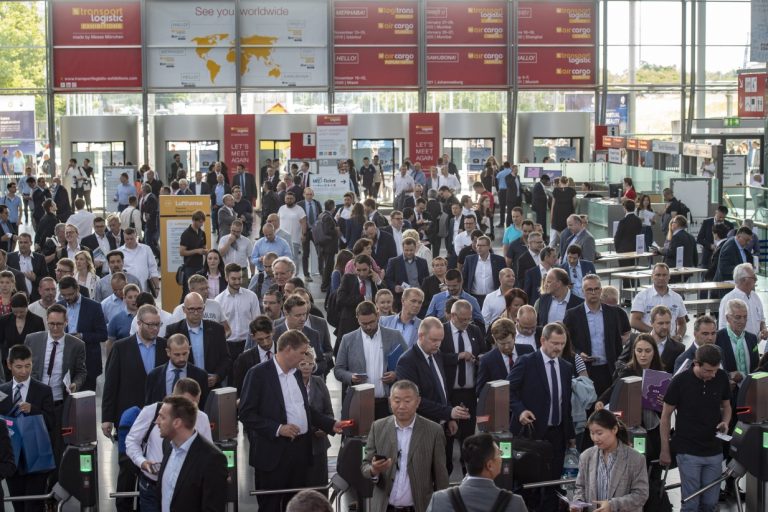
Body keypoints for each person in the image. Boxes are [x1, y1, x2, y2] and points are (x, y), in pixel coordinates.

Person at [239, 330, 342, 512]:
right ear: (287, 350)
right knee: (270, 506)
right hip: (273, 454)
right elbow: (247, 414)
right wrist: (279, 428)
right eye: (302, 352)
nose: (305, 357)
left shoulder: (295, 374)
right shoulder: (258, 374)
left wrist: (330, 424)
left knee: (296, 504)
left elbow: (305, 409)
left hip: (300, 451)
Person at [508, 322, 576, 510]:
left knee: (552, 486)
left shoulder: (566, 367)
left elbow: (566, 403)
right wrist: (520, 410)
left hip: (557, 435)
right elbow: (508, 391)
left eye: (562, 344)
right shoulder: (527, 362)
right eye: (555, 343)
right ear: (543, 340)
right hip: (531, 435)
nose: (559, 348)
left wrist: (569, 435)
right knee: (528, 486)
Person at [660, 345, 732, 512]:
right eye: (708, 370)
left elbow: (727, 407)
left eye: (715, 370)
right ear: (696, 364)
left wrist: (726, 422)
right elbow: (665, 418)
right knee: (691, 503)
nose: (712, 374)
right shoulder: (679, 381)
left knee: (710, 503)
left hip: (714, 450)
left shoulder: (721, 377)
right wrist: (665, 449)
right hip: (687, 450)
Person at [361, 379, 449, 512]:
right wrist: (374, 470)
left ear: (418, 402)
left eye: (407, 401)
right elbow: (365, 466)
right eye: (397, 401)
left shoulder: (434, 431)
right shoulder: (377, 427)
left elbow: (441, 475)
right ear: (390, 401)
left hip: (419, 507)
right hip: (384, 507)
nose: (401, 406)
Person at [127, 377, 213, 512]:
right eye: (186, 404)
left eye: (195, 404)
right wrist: (142, 462)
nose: (191, 410)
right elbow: (131, 440)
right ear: (175, 398)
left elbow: (207, 454)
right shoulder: (152, 411)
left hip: (186, 488)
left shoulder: (202, 418)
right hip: (152, 486)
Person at [0, 344, 54, 512]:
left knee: (34, 505)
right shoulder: (2, 392)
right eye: (18, 367)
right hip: (12, 460)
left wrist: (34, 410)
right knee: (18, 504)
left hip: (36, 457)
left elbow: (52, 422)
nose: (24, 371)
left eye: (28, 366)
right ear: (9, 365)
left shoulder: (43, 390)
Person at [334, 301, 407, 418]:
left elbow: (408, 365)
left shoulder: (395, 336)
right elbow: (338, 370)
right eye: (364, 323)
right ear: (357, 319)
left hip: (387, 404)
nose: (368, 326)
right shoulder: (348, 339)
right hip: (359, 404)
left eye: (371, 322)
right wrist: (351, 377)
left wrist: (395, 374)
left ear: (377, 316)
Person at [156, 395, 227, 512]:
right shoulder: (167, 446)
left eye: (162, 417)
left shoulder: (213, 459)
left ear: (177, 422)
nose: (157, 421)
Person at [426, 433, 527, 512]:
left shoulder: (440, 500)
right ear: (490, 465)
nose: (501, 458)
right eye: (500, 453)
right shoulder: (514, 503)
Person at [572, 409, 649, 511]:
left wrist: (613, 505)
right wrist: (578, 504)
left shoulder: (635, 459)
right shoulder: (586, 456)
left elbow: (641, 495)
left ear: (614, 430)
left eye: (599, 433)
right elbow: (580, 487)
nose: (595, 438)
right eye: (592, 433)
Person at [165, 292, 230, 390]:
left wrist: (217, 376)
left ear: (204, 308)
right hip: (184, 388)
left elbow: (226, 359)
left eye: (199, 309)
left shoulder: (217, 329)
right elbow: (168, 359)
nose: (196, 313)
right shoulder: (173, 330)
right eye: (191, 309)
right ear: (184, 309)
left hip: (210, 387)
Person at [298, 346, 333, 489]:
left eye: (310, 364)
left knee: (319, 486)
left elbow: (329, 413)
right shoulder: (290, 383)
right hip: (296, 445)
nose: (307, 367)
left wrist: (325, 428)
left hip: (318, 445)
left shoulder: (319, 382)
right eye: (303, 364)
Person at [215, 263, 261, 367]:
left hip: (248, 344)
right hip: (228, 345)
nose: (237, 282)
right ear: (226, 278)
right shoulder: (218, 300)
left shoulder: (251, 296)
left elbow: (257, 321)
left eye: (239, 278)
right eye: (234, 279)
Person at [145, 333, 209, 406]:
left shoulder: (201, 375)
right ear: (168, 352)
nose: (182, 358)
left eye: (185, 354)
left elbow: (204, 406)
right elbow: (149, 407)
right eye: (177, 354)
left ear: (189, 350)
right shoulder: (154, 376)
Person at [630, 263, 687, 339]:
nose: (661, 278)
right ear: (652, 277)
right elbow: (634, 321)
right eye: (658, 275)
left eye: (664, 275)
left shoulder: (677, 298)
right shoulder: (642, 296)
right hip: (647, 341)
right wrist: (655, 332)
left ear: (669, 277)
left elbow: (682, 323)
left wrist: (679, 336)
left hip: (669, 343)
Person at [718, 263, 768, 338]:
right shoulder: (728, 299)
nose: (756, 280)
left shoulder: (755, 297)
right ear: (744, 280)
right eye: (754, 277)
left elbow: (761, 320)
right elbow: (722, 328)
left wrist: (764, 329)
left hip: (754, 345)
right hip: (737, 346)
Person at [0, 294, 44, 376]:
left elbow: (40, 344)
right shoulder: (4, 320)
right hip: (9, 365)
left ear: (27, 306)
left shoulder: (37, 321)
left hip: (29, 365)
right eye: (15, 312)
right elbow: (1, 342)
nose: (19, 315)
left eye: (22, 312)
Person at [233, 316, 274, 394]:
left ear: (273, 332)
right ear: (252, 337)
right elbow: (239, 388)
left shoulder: (284, 352)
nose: (266, 343)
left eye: (268, 337)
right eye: (260, 339)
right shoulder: (244, 359)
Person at [118, 228, 160, 294]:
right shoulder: (119, 252)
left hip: (145, 289)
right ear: (124, 238)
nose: (129, 241)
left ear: (136, 237)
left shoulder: (146, 249)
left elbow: (153, 269)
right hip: (127, 291)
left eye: (132, 239)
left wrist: (157, 287)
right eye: (127, 239)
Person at [549, 177, 576, 249]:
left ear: (560, 182)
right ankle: (566, 249)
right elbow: (574, 204)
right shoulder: (572, 191)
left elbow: (553, 205)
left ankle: (560, 250)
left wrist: (551, 218)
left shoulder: (555, 191)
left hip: (557, 216)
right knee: (567, 236)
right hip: (568, 215)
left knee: (558, 236)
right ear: (568, 182)